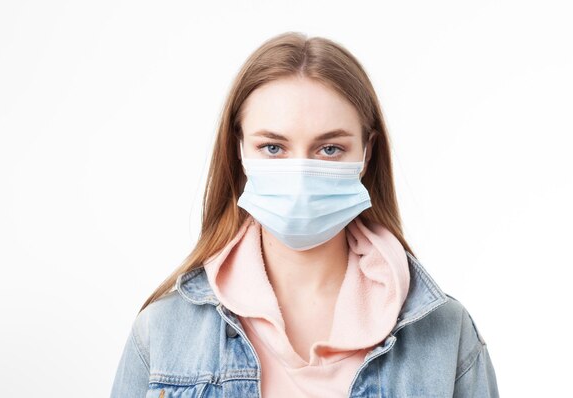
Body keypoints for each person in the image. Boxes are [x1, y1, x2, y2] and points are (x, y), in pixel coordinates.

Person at [110, 31, 499, 398]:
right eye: (273, 148)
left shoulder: (446, 332)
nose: (299, 176)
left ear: (367, 153)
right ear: (239, 151)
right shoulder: (163, 329)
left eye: (329, 149)